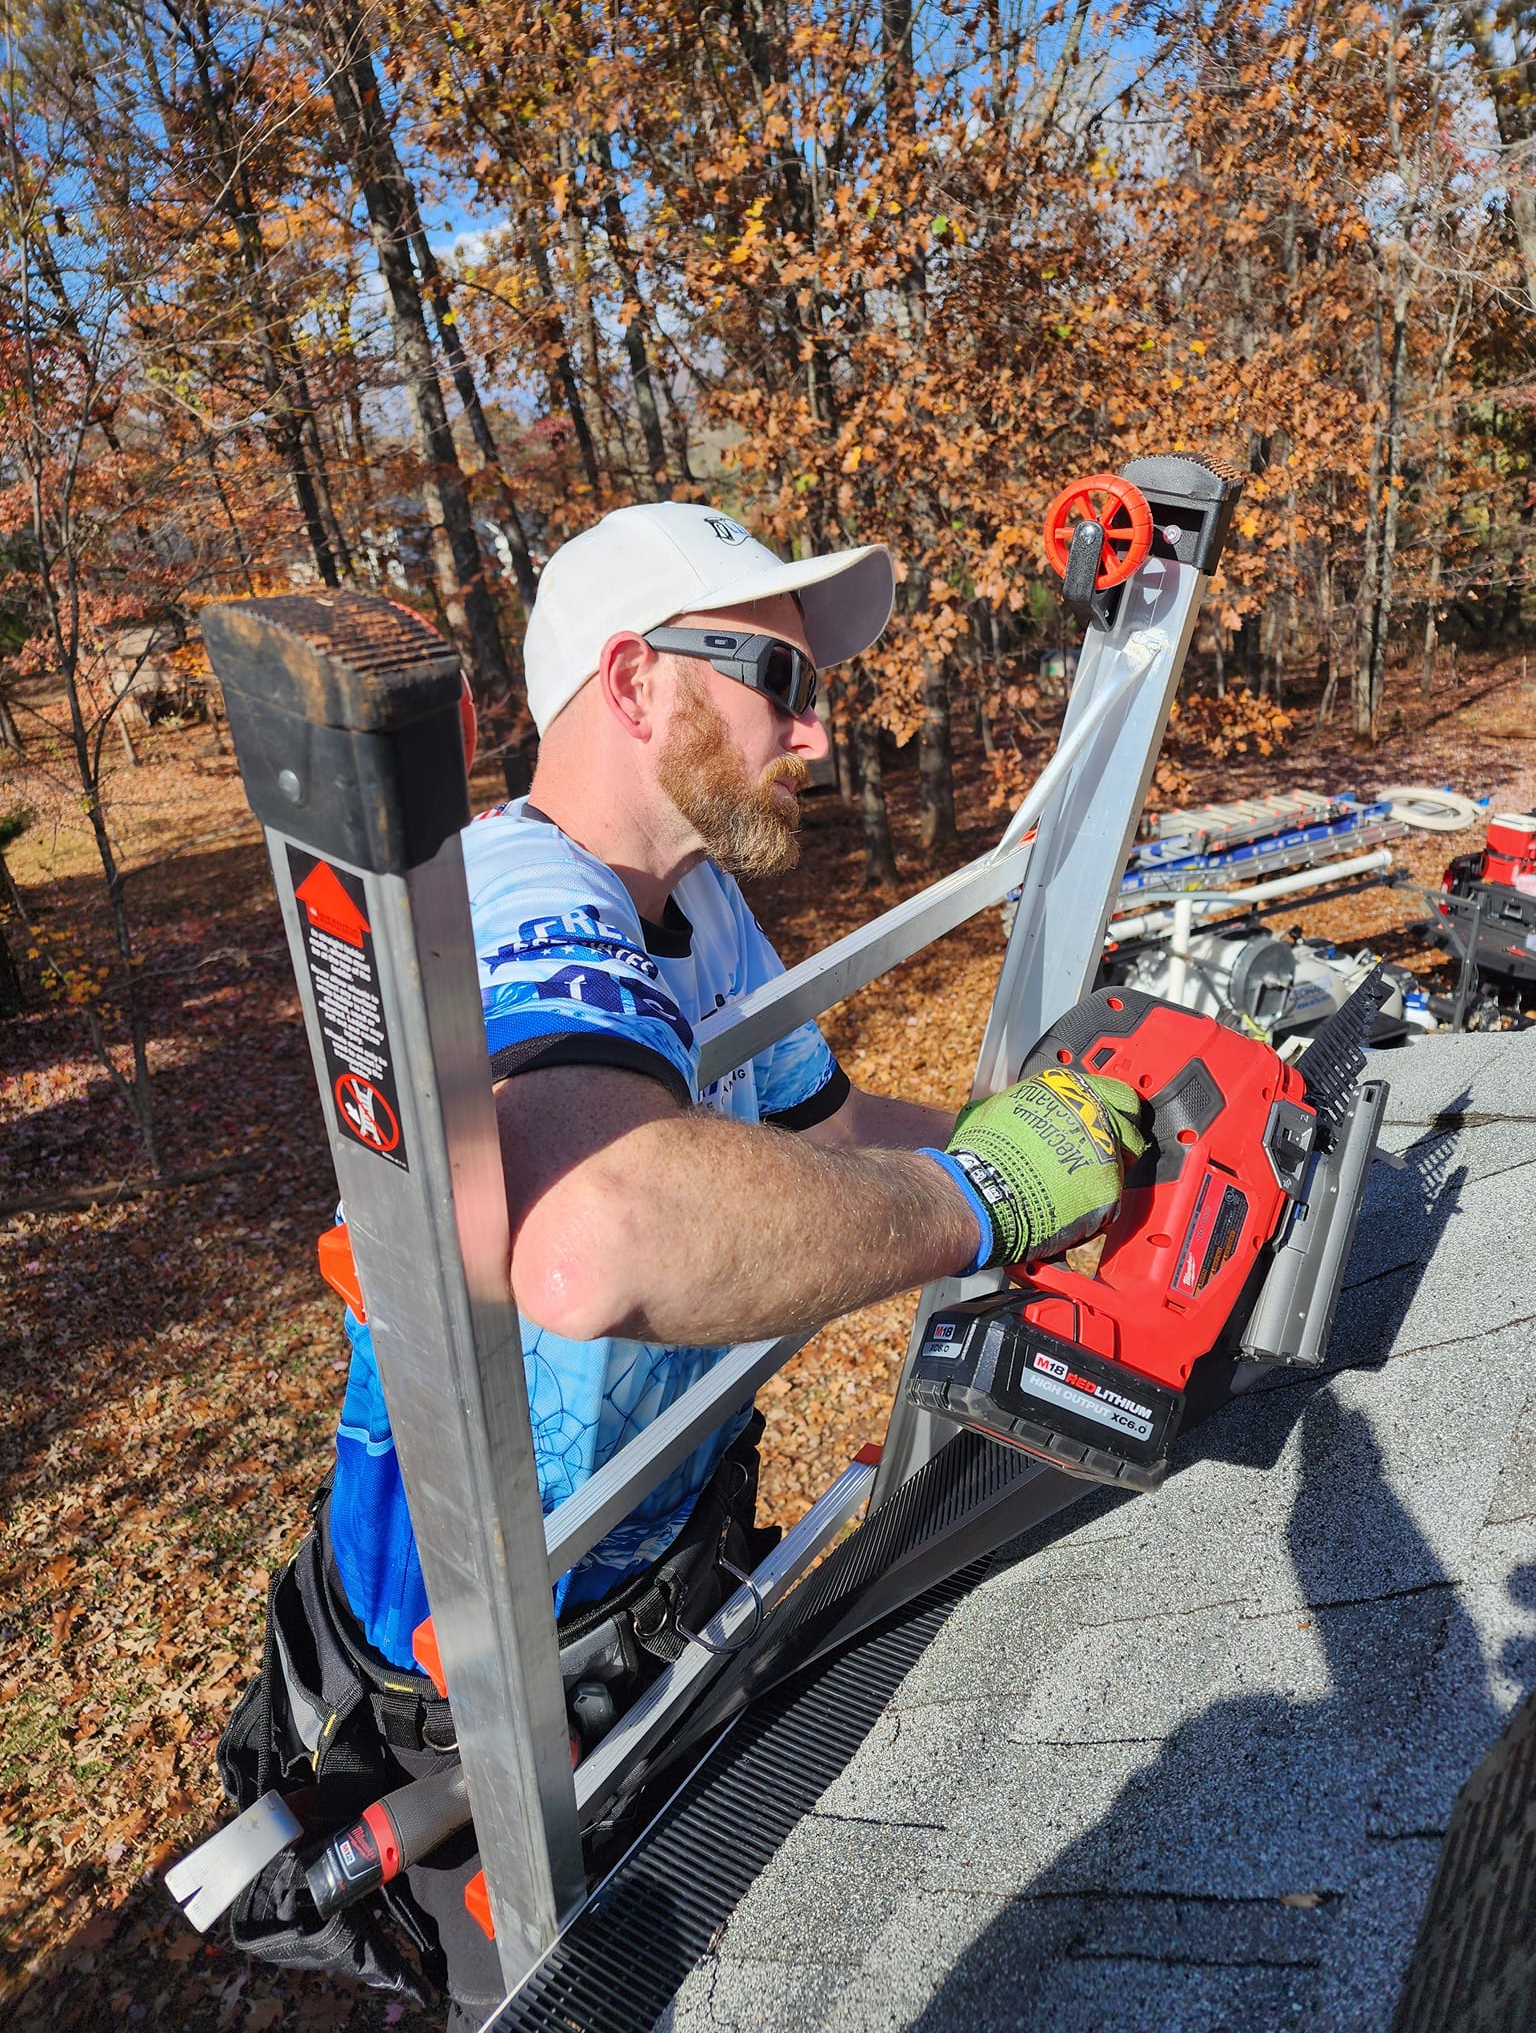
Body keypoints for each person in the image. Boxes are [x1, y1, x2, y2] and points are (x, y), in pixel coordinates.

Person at [218, 503, 1145, 2025]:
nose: (822, 734)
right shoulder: (520, 902)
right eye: (781, 682)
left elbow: (830, 1125)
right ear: (638, 681)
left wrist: (1050, 1147)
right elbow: (591, 1241)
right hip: (490, 1676)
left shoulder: (694, 901)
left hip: (662, 1562)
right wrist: (984, 1199)